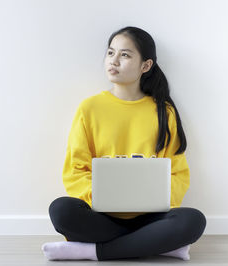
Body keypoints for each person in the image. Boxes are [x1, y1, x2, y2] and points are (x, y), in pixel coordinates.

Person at [41, 26, 206, 261]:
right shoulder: (89, 108)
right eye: (111, 53)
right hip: (101, 214)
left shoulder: (164, 112)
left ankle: (94, 251)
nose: (114, 60)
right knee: (61, 210)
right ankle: (154, 243)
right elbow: (75, 170)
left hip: (152, 215)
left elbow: (178, 173)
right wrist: (100, 196)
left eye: (125, 55)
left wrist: (157, 198)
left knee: (193, 220)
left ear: (145, 66)